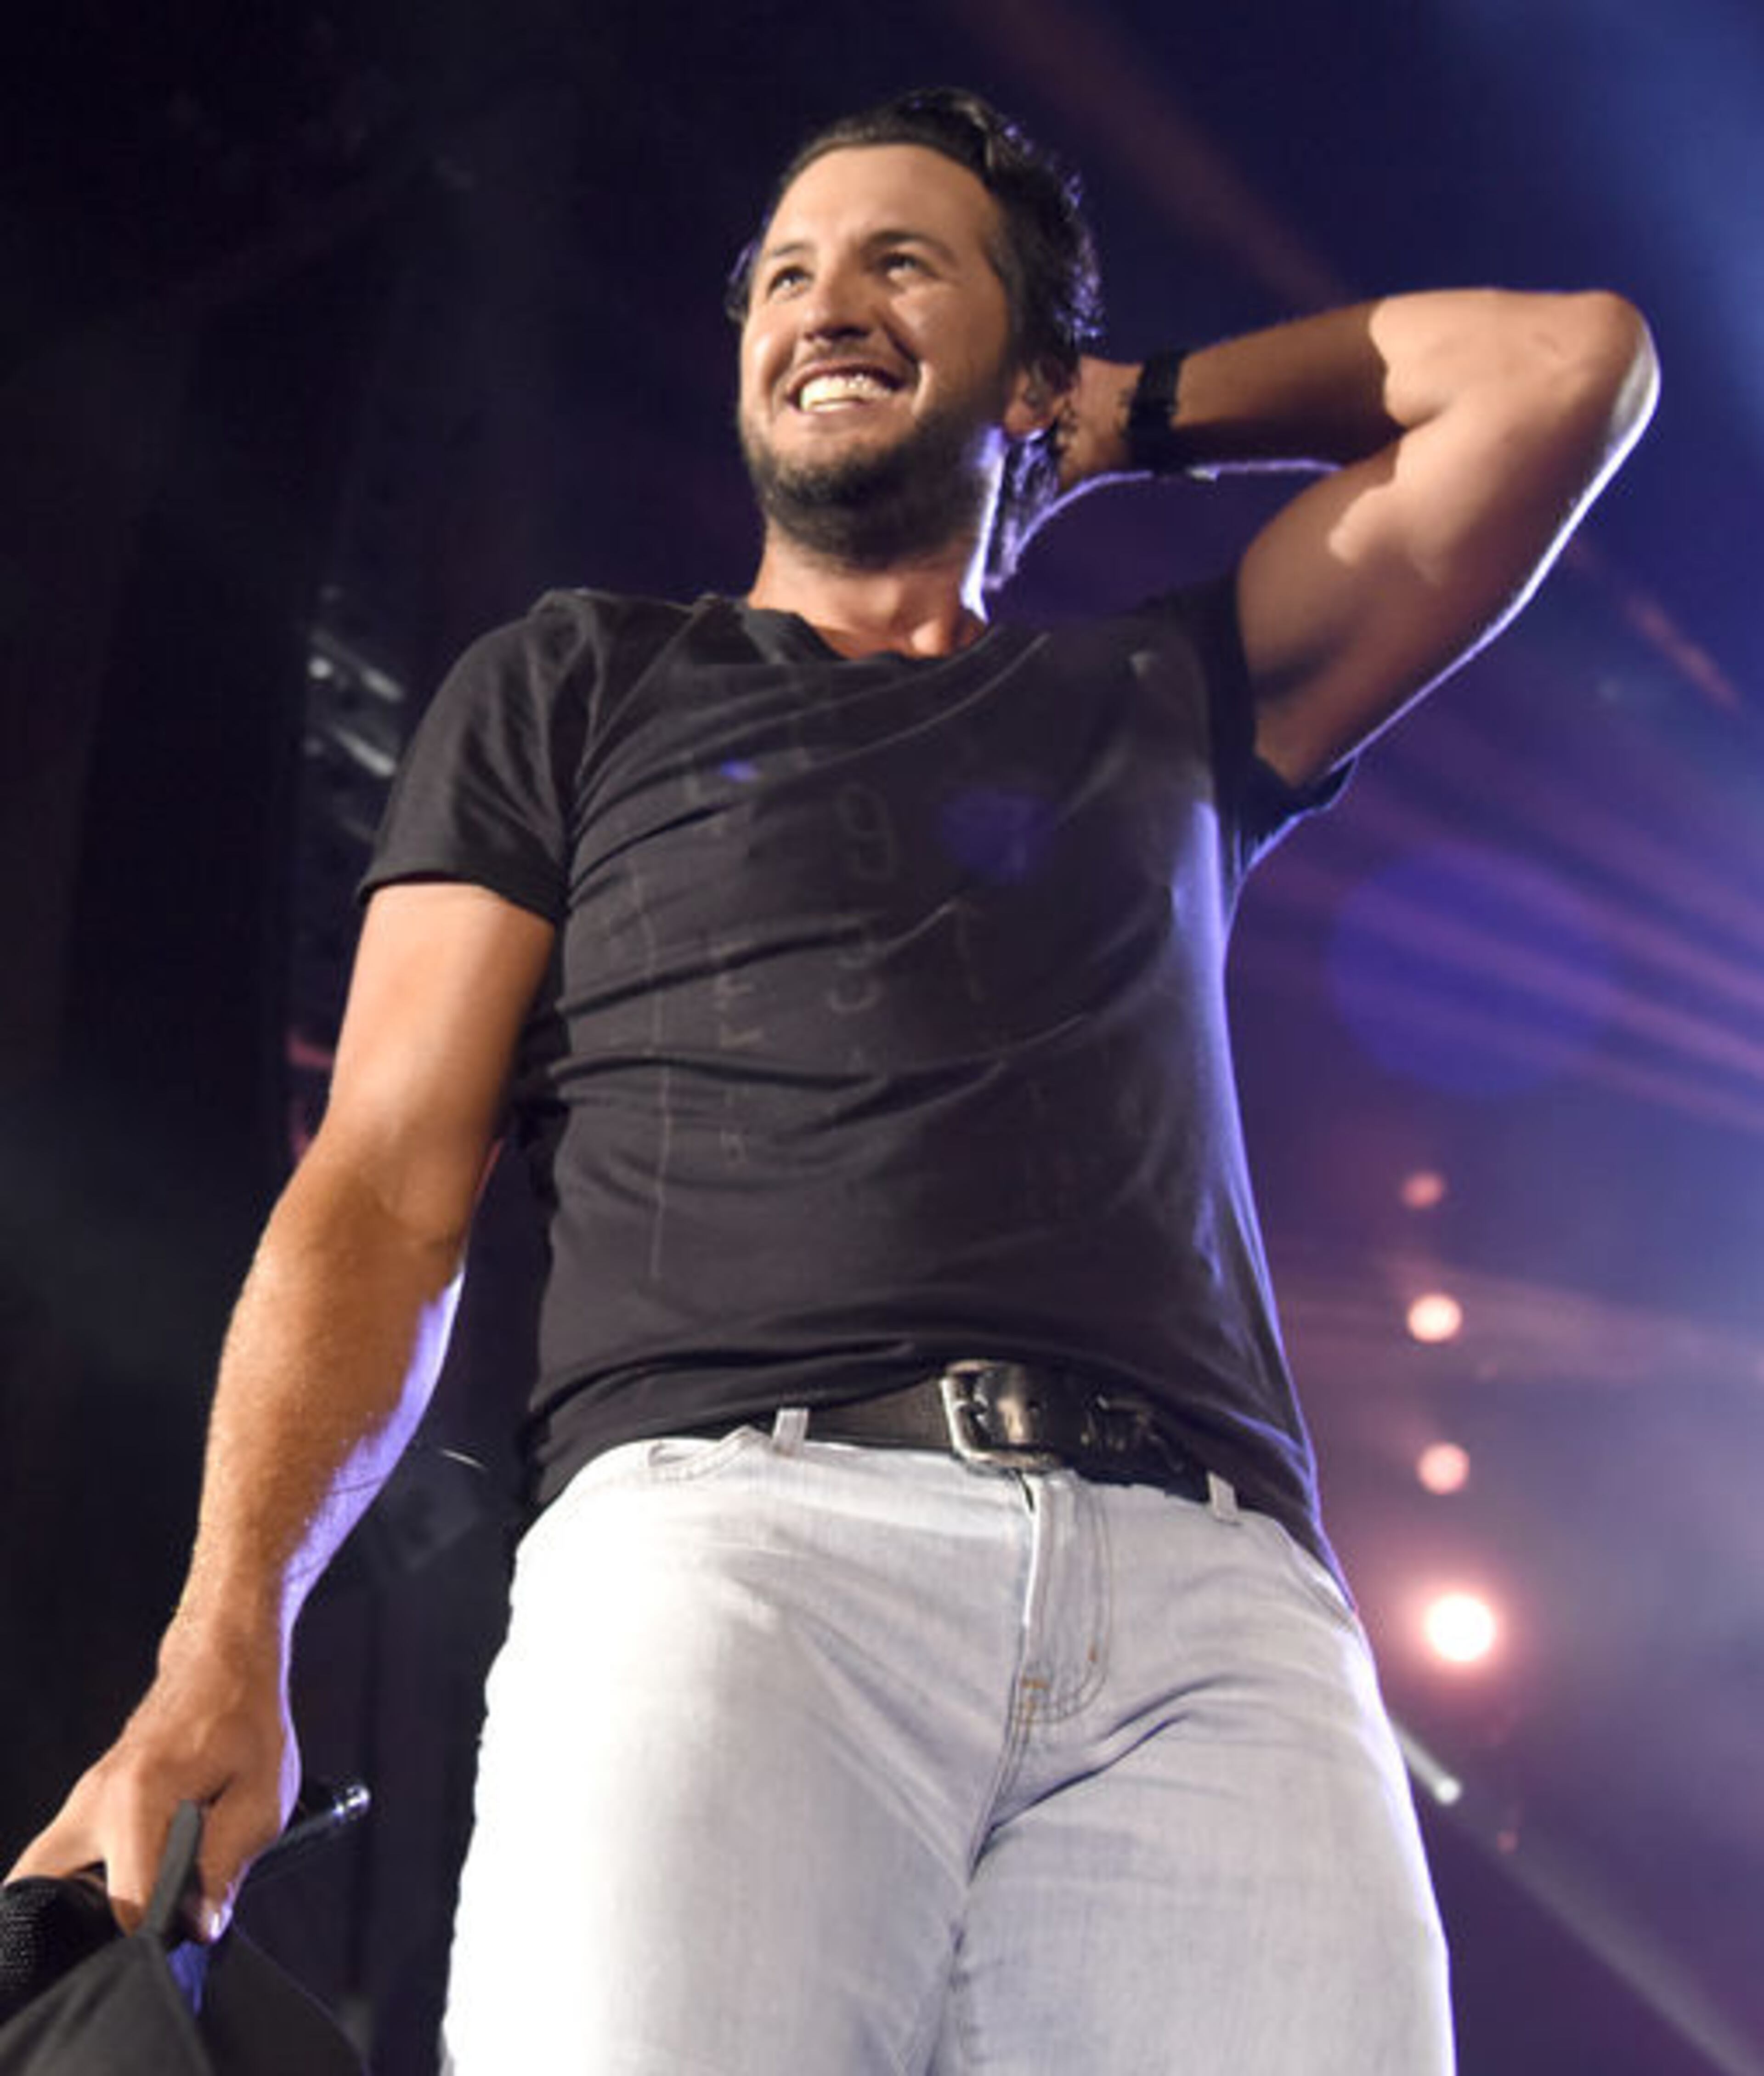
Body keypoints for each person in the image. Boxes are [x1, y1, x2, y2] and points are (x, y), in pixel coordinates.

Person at [11, 86, 1655, 2074]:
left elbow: (1566, 369)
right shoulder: (577, 682)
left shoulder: (1172, 692)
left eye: (901, 262)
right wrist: (227, 1641)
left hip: (1215, 1617)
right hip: (738, 1555)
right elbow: (381, 1177)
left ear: (1028, 358)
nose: (825, 303)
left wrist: (1129, 409)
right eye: (786, 274)